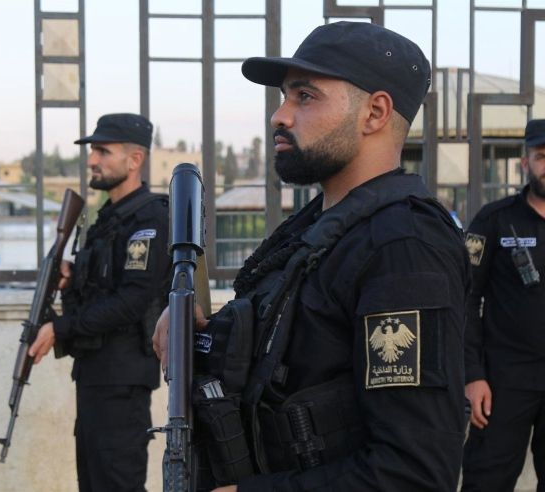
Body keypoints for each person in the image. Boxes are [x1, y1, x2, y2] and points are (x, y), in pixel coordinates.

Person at [153, 21, 469, 492]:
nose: (279, 116)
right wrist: (195, 330)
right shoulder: (319, 227)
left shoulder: (404, 244)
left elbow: (414, 473)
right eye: (284, 97)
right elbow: (289, 361)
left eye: (305, 96)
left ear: (375, 113)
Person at [29, 113, 172, 492]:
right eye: (92, 151)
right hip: (95, 374)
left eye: (103, 151)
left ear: (135, 159)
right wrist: (71, 277)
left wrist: (59, 328)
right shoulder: (109, 219)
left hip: (122, 380)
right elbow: (102, 288)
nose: (92, 160)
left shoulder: (150, 219)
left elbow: (132, 300)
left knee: (117, 484)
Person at [462, 119, 545, 492]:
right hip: (503, 380)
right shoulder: (494, 220)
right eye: (541, 156)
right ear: (525, 163)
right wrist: (472, 375)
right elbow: (465, 298)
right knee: (487, 479)